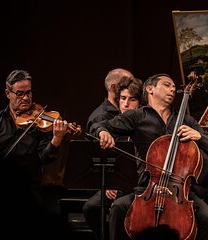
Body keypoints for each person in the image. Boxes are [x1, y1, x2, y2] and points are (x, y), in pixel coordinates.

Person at [96, 73, 208, 240]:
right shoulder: (136, 117)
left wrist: (199, 137)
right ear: (150, 89)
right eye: (166, 85)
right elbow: (99, 124)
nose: (172, 89)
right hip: (146, 188)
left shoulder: (186, 121)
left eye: (173, 87)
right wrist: (103, 131)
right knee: (119, 208)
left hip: (180, 192)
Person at [0, 69, 73, 239]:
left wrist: (56, 139)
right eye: (20, 93)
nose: (25, 98)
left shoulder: (40, 123)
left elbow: (45, 158)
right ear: (8, 93)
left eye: (28, 92)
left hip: (29, 190)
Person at [83, 68, 142, 240]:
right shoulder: (109, 119)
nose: (125, 103)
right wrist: (101, 131)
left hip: (140, 181)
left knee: (120, 205)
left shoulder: (144, 118)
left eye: (131, 99)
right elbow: (96, 129)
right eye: (122, 98)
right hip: (118, 180)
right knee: (92, 207)